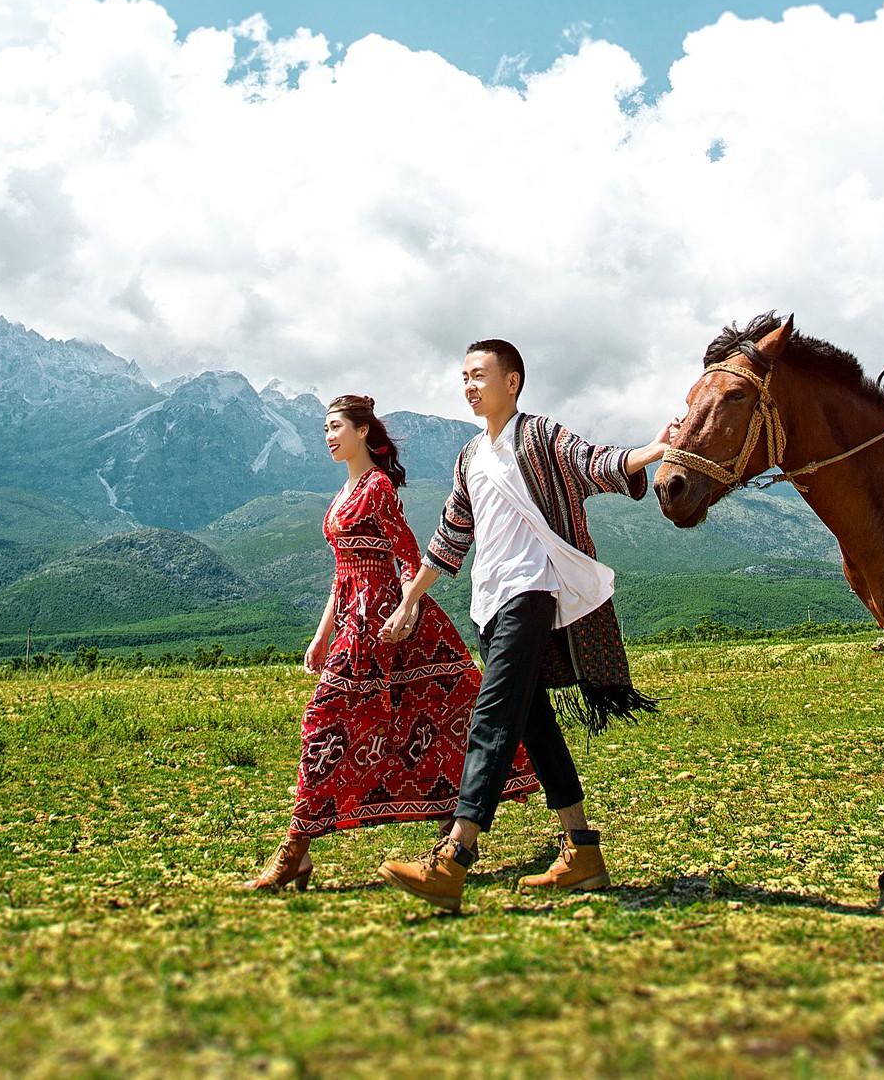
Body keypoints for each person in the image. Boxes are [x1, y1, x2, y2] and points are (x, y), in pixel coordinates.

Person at [375, 338, 669, 913]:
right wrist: (410, 599)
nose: (469, 384)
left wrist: (653, 448)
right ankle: (583, 851)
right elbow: (451, 536)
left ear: (512, 382)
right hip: (488, 601)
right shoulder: (469, 457)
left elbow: (596, 462)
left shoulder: (539, 436)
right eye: (464, 376)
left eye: (479, 374)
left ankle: (454, 857)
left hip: (531, 591)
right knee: (534, 725)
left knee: (493, 715)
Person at [244, 394, 536, 891]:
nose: (329, 436)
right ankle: (303, 849)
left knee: (430, 720)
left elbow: (406, 555)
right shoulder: (342, 494)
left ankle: (302, 848)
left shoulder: (377, 487)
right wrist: (320, 638)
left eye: (337, 427)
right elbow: (342, 577)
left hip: (388, 624)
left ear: (363, 432)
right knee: (336, 724)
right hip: (354, 626)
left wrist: (407, 610)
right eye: (325, 429)